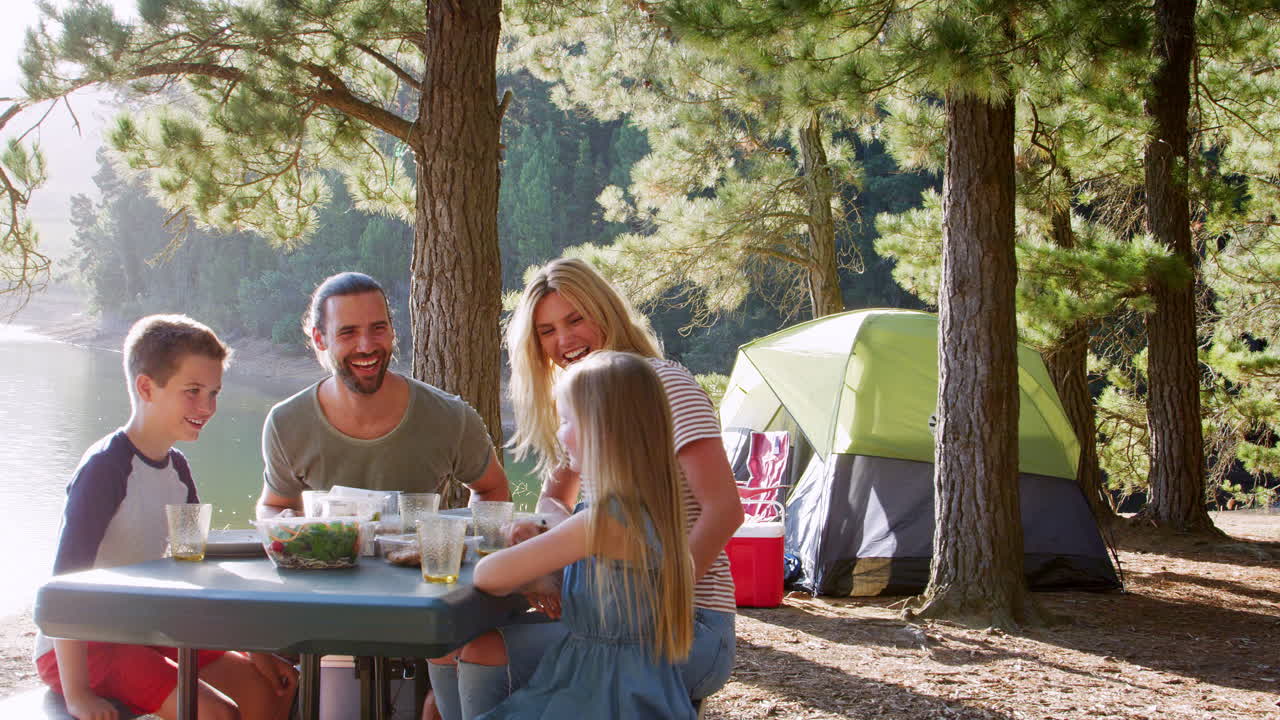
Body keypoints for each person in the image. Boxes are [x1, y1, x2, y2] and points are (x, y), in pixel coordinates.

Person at [425, 258, 742, 720]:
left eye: (575, 319)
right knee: (451, 646)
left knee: (480, 649)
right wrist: (551, 547)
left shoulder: (661, 386)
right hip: (606, 617)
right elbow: (555, 499)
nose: (563, 340)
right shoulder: (589, 404)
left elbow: (724, 511)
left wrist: (663, 596)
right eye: (547, 331)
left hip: (685, 620)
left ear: (606, 311)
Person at [34, 315, 298, 720]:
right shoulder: (105, 469)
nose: (207, 407)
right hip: (85, 644)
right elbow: (63, 588)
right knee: (218, 713)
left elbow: (191, 566)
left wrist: (254, 649)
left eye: (213, 393)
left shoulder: (178, 470)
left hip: (147, 629)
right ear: (146, 387)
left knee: (268, 688)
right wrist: (78, 695)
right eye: (192, 391)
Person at [472, 351, 697, 719]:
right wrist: (549, 567)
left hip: (601, 695)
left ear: (600, 430)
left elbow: (488, 575)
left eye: (565, 421)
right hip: (638, 687)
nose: (560, 434)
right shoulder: (649, 507)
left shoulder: (604, 519)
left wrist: (538, 575)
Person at [255, 271, 509, 517]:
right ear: (320, 339)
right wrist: (284, 523)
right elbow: (273, 507)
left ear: (392, 331)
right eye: (348, 332)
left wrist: (463, 542)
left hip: (416, 561)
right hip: (325, 559)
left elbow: (493, 490)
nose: (366, 346)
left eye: (377, 328)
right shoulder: (286, 423)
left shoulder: (452, 417)